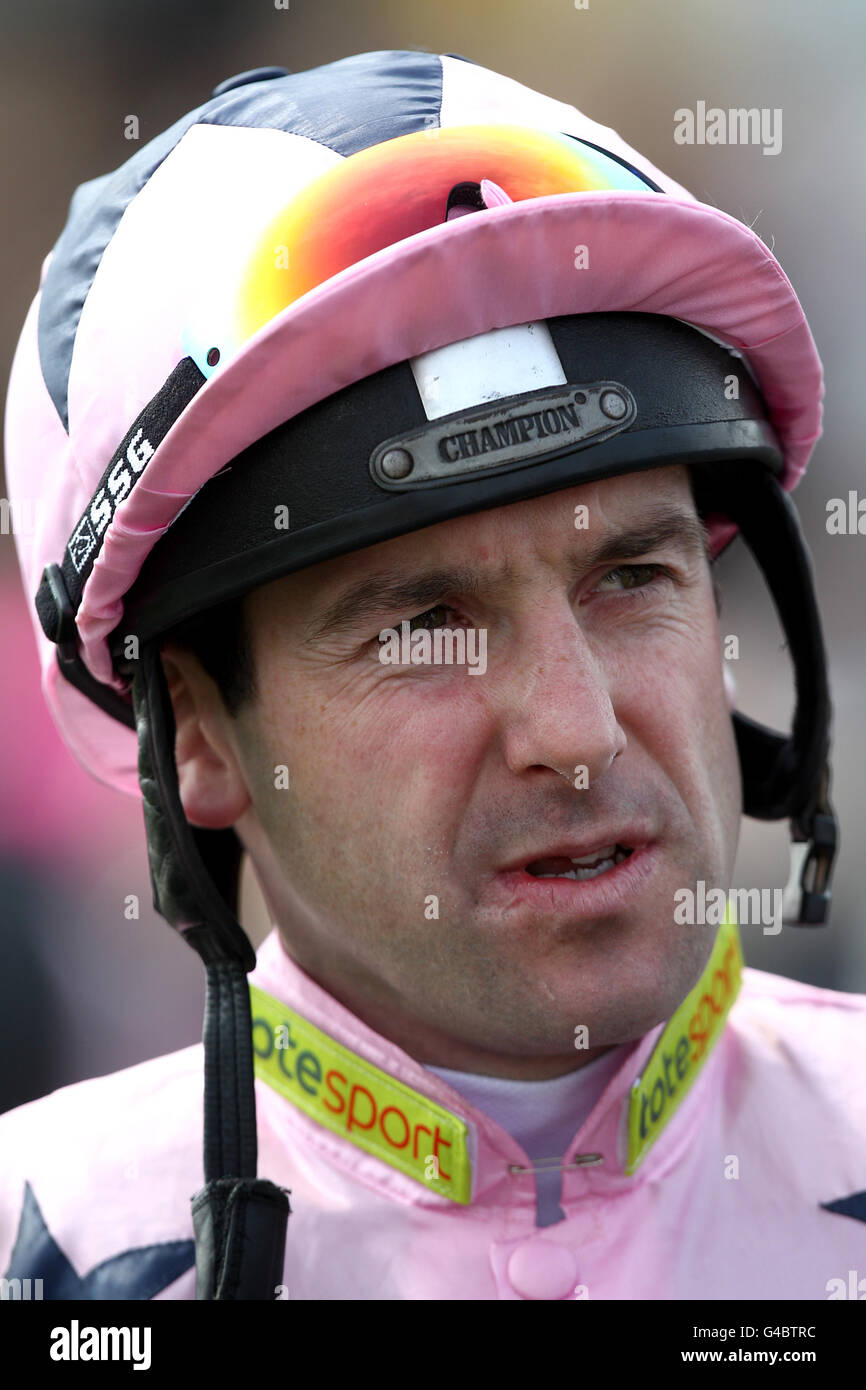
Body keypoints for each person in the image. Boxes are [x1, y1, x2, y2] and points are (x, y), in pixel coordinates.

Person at [1, 50, 861, 1303]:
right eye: (426, 627)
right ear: (197, 727)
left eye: (630, 576)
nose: (575, 734)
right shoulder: (50, 1258)